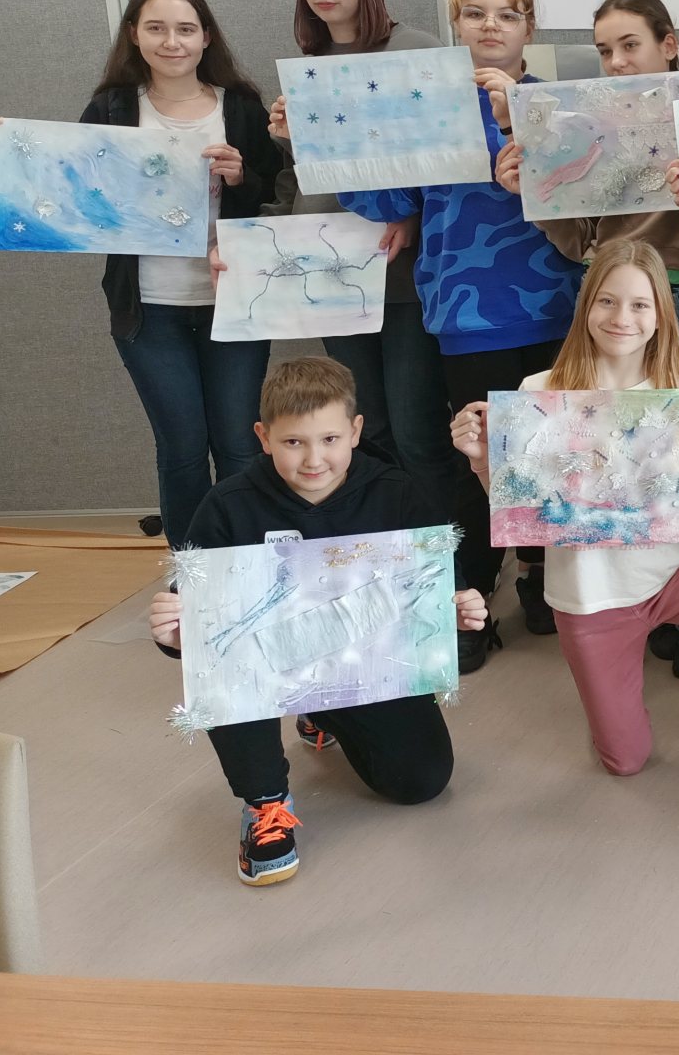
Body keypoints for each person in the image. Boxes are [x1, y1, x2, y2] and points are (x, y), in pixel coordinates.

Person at [449, 239, 679, 783]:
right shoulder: (540, 394)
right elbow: (526, 524)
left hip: (675, 575)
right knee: (625, 761)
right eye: (607, 301)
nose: (622, 318)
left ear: (660, 316)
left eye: (639, 304)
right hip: (592, 600)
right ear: (586, 307)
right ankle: (615, 704)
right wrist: (483, 462)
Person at [146, 357, 486, 885]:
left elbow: (437, 585)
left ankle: (324, 712)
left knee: (420, 781)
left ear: (356, 431)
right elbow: (198, 618)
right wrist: (174, 636)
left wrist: (458, 609)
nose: (313, 459)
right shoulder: (228, 506)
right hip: (268, 664)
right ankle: (265, 801)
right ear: (263, 437)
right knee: (229, 669)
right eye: (293, 442)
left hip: (361, 660)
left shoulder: (397, 492)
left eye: (329, 439)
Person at [340, 0, 584, 672]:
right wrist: (322, 148)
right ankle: (471, 594)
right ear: (457, 24)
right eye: (476, 13)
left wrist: (519, 119)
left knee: (554, 455)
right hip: (466, 314)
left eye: (507, 14)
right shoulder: (427, 108)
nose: (491, 26)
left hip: (556, 311)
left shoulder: (561, 107)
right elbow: (388, 203)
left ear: (529, 27)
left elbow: (592, 202)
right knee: (477, 459)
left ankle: (542, 576)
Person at [495, 0, 679, 679]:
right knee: (618, 448)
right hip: (604, 302)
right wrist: (532, 190)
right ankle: (644, 600)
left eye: (631, 45)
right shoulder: (591, 124)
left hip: (674, 297)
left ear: (669, 44)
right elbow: (581, 240)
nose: (618, 62)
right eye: (606, 50)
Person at [265, 0, 463, 540]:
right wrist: (287, 141)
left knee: (418, 432)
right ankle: (390, 560)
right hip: (331, 275)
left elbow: (452, 161)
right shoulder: (311, 66)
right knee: (366, 432)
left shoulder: (414, 50)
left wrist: (411, 214)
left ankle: (451, 564)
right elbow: (308, 176)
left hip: (404, 278)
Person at [79, 0, 283, 547]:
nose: (172, 42)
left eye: (186, 29)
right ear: (134, 35)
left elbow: (278, 193)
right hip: (149, 306)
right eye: (157, 28)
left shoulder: (239, 107)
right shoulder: (111, 108)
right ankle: (193, 573)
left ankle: (246, 565)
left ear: (206, 37)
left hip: (234, 302)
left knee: (240, 444)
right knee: (182, 447)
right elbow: (80, 196)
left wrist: (240, 177)